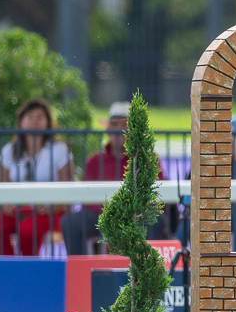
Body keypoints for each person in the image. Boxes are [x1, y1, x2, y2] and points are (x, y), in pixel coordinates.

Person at [61, 102, 167, 255]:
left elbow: (158, 197)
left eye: (125, 125)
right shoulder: (94, 161)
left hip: (137, 215)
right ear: (108, 130)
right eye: (114, 125)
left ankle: (148, 268)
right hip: (102, 216)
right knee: (71, 221)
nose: (119, 130)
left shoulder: (148, 159)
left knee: (153, 219)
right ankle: (81, 269)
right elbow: (87, 199)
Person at [0, 98, 71, 256]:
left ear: (48, 122)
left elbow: (69, 188)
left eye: (40, 117)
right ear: (21, 121)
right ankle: (10, 266)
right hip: (17, 210)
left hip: (49, 211)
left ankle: (30, 268)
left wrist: (53, 207)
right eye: (29, 116)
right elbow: (0, 186)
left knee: (27, 229)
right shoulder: (9, 150)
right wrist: (4, 204)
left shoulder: (59, 149)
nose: (34, 121)